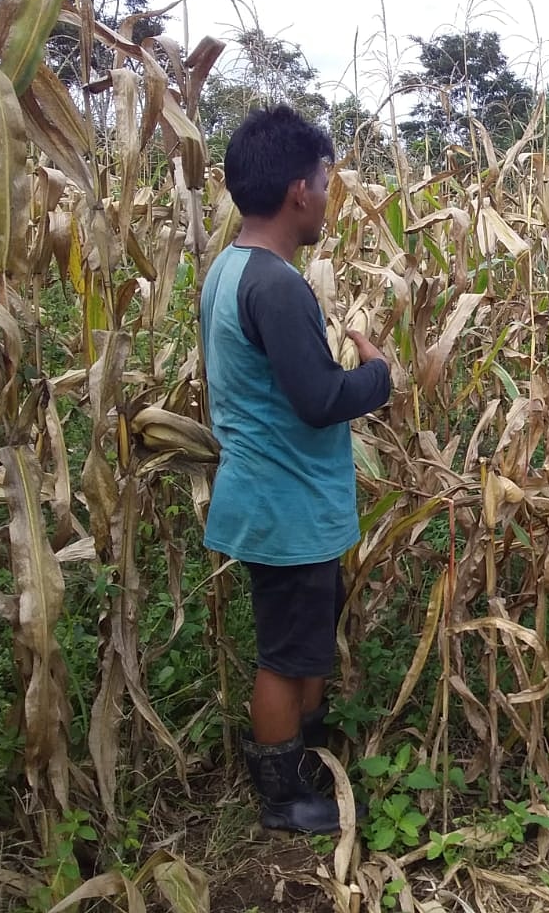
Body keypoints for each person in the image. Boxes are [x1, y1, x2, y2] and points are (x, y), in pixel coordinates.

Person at [200, 105, 392, 834]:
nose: (328, 194)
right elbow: (319, 399)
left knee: (305, 639)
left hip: (280, 501)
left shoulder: (230, 269)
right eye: (324, 179)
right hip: (285, 508)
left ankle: (306, 760)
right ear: (297, 193)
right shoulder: (277, 285)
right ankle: (283, 798)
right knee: (284, 656)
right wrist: (379, 374)